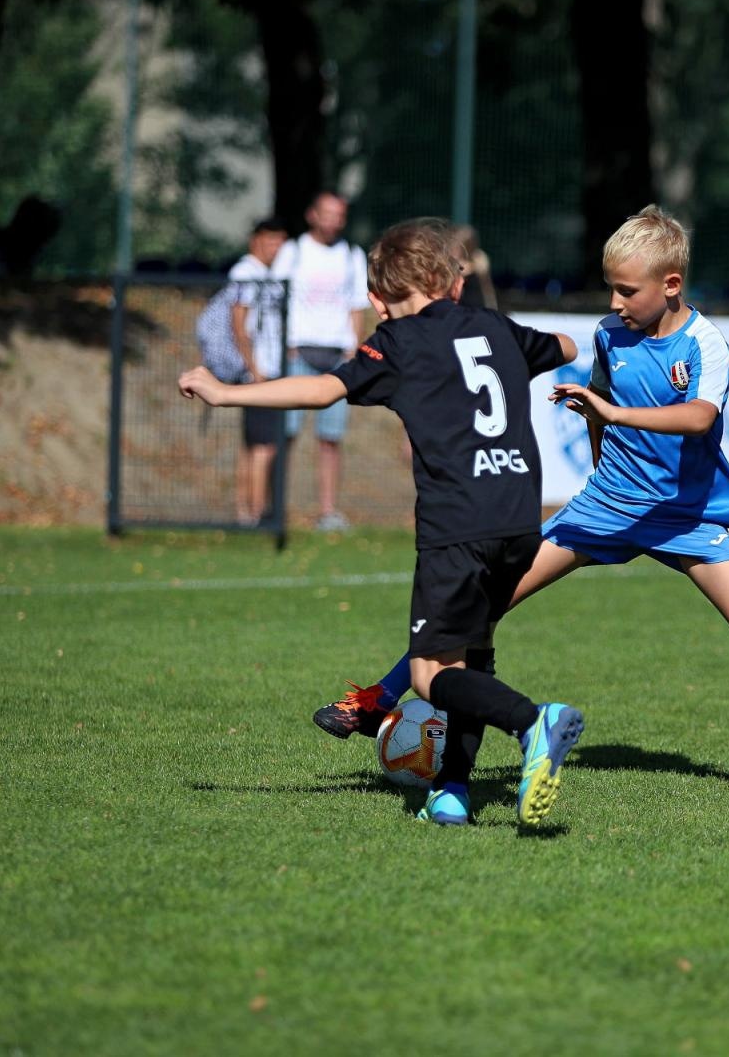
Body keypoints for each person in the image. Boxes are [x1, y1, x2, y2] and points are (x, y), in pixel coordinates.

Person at [316, 205, 729, 794]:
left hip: (686, 516)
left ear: (671, 286)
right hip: (606, 506)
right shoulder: (609, 334)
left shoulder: (705, 343)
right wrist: (600, 452)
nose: (614, 303)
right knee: (481, 606)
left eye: (626, 290)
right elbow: (598, 399)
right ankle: (374, 699)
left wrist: (615, 413)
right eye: (610, 288)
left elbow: (699, 418)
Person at [180, 218, 584, 827]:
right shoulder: (496, 328)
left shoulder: (396, 343)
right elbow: (566, 347)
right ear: (452, 282)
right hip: (521, 518)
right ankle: (451, 793)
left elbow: (321, 390)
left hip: (458, 523)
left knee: (428, 674)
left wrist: (223, 391)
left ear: (377, 300)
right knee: (473, 656)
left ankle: (534, 722)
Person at [270, 191, 373, 532]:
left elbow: (356, 305)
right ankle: (274, 507)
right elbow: (275, 298)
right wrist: (286, 345)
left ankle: (328, 511)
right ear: (312, 215)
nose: (333, 220)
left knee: (330, 438)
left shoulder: (350, 255)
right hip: (299, 352)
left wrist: (353, 350)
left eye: (339, 215)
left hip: (336, 356)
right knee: (286, 433)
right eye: (327, 213)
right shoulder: (293, 251)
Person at [228, 217, 289, 526]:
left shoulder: (270, 273)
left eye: (280, 241)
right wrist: (254, 369)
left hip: (271, 367)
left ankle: (246, 509)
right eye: (270, 240)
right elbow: (239, 323)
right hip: (259, 372)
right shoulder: (245, 272)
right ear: (255, 241)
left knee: (254, 445)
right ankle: (257, 512)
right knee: (264, 445)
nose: (275, 247)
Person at [451, 224, 499, 309]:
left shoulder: (479, 258)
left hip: (473, 304)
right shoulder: (457, 259)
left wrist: (492, 305)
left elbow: (487, 286)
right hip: (462, 304)